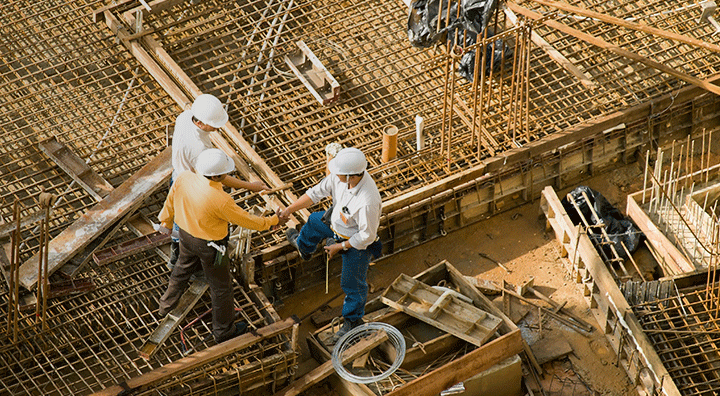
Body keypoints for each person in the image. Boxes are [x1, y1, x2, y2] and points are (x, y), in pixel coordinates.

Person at [156, 148, 284, 343]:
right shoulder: (220, 200)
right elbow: (247, 220)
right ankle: (223, 331)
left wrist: (165, 220)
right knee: (221, 287)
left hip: (185, 236)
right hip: (210, 246)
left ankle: (164, 306)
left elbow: (170, 200)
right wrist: (272, 221)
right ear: (218, 175)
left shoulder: (184, 178)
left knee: (181, 269)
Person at [278, 147, 382, 343]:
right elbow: (315, 194)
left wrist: (339, 247)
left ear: (351, 176)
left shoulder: (367, 200)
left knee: (352, 283)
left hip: (355, 243)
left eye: (339, 173)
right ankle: (304, 248)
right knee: (314, 222)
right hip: (336, 225)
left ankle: (353, 321)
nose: (335, 174)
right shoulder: (339, 177)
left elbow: (367, 236)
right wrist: (289, 210)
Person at [168, 93, 267, 267]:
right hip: (192, 186)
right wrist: (251, 186)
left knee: (178, 216)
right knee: (188, 223)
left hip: (178, 175)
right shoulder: (200, 149)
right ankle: (181, 256)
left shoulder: (184, 117)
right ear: (199, 122)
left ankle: (177, 250)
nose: (216, 129)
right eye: (212, 125)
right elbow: (221, 178)